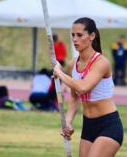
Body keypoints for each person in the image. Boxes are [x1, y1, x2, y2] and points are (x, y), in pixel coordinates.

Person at [52, 17, 123, 157]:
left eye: (79, 35)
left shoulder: (101, 62)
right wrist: (67, 122)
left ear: (91, 36)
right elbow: (74, 98)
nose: (74, 39)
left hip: (108, 125)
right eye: (72, 35)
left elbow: (84, 87)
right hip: (88, 126)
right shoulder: (73, 64)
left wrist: (59, 73)